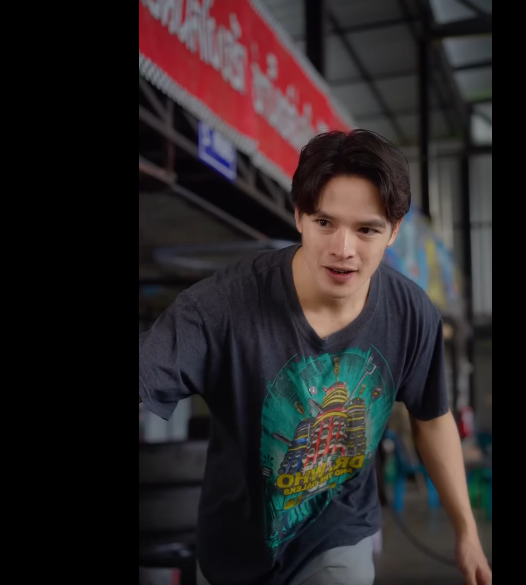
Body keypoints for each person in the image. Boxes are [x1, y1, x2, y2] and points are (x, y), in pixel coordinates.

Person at [139, 129, 492, 585]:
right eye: (325, 222)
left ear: (393, 231)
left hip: (337, 533)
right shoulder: (222, 306)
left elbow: (432, 419)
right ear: (299, 215)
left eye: (366, 229)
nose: (343, 249)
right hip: (232, 548)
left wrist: (466, 531)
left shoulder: (411, 314)